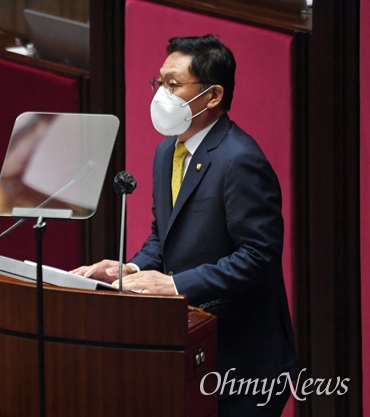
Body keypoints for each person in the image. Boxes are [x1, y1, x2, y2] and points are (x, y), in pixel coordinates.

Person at [72, 35, 298, 416]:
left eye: (173, 85)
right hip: (192, 348)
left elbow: (258, 257)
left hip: (243, 361)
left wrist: (176, 285)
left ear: (212, 96)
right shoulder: (168, 150)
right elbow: (164, 235)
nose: (162, 94)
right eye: (159, 83)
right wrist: (132, 268)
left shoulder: (240, 160)